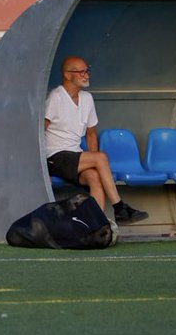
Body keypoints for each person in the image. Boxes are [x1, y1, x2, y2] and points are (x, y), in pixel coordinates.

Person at [44, 57, 149, 224]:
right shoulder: (56, 97)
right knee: (100, 157)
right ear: (67, 74)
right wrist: (40, 166)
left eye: (87, 71)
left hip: (74, 156)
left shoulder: (87, 98)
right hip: (54, 157)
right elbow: (41, 129)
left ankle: (97, 225)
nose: (86, 75)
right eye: (81, 72)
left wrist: (94, 163)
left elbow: (91, 133)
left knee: (95, 176)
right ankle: (119, 207)